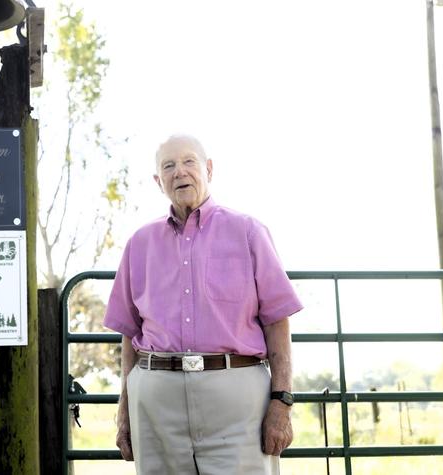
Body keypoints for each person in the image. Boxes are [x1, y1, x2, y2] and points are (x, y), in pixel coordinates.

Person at [103, 134, 303, 475]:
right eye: (168, 166)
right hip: (155, 400)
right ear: (158, 181)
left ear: (208, 168)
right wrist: (125, 410)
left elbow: (277, 322)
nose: (180, 172)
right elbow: (129, 334)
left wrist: (281, 402)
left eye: (189, 161)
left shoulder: (248, 231)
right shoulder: (139, 243)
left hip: (237, 401)